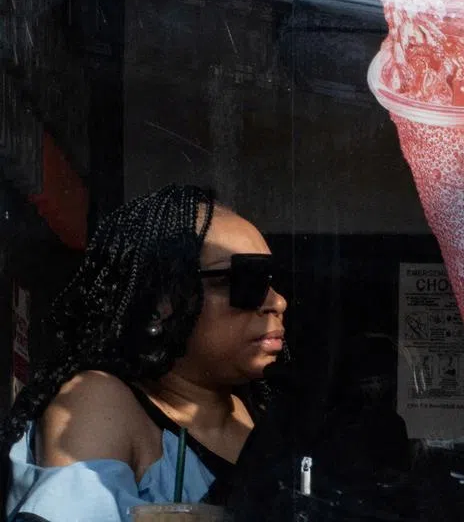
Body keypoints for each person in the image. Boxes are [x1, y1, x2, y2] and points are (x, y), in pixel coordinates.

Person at [3, 185, 288, 520]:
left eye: (272, 280)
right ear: (161, 301)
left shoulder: (267, 412)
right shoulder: (100, 401)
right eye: (247, 279)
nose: (277, 302)